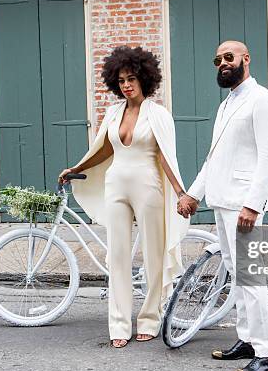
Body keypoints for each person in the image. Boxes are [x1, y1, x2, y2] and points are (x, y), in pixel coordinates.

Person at [59, 46, 190, 348]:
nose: (127, 85)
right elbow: (103, 148)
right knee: (116, 255)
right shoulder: (113, 112)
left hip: (149, 185)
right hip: (115, 183)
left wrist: (181, 193)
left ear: (145, 78)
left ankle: (149, 319)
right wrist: (76, 168)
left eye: (132, 78)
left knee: (153, 255)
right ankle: (119, 323)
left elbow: (167, 157)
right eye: (121, 81)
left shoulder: (158, 115)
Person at [177, 40, 268, 371]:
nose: (222, 62)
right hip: (221, 201)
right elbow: (214, 158)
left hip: (243, 205)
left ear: (246, 59)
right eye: (218, 58)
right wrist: (193, 195)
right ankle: (248, 340)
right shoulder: (226, 104)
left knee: (251, 279)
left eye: (229, 57)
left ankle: (267, 354)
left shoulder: (261, 99)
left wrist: (253, 204)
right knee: (237, 277)